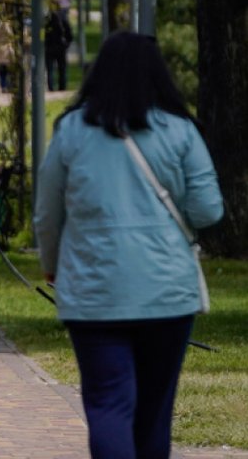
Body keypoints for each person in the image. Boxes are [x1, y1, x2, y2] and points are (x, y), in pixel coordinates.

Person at [35, 32, 222, 459]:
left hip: (94, 291)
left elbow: (47, 214)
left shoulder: (71, 131)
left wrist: (52, 265)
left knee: (108, 405)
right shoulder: (181, 130)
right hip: (167, 292)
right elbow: (209, 209)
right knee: (155, 412)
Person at [44, 0, 74, 91]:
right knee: (62, 68)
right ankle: (62, 87)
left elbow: (42, 32)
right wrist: (67, 43)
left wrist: (44, 42)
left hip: (49, 46)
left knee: (50, 69)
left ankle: (51, 87)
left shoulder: (46, 18)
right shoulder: (63, 17)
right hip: (61, 46)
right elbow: (69, 32)